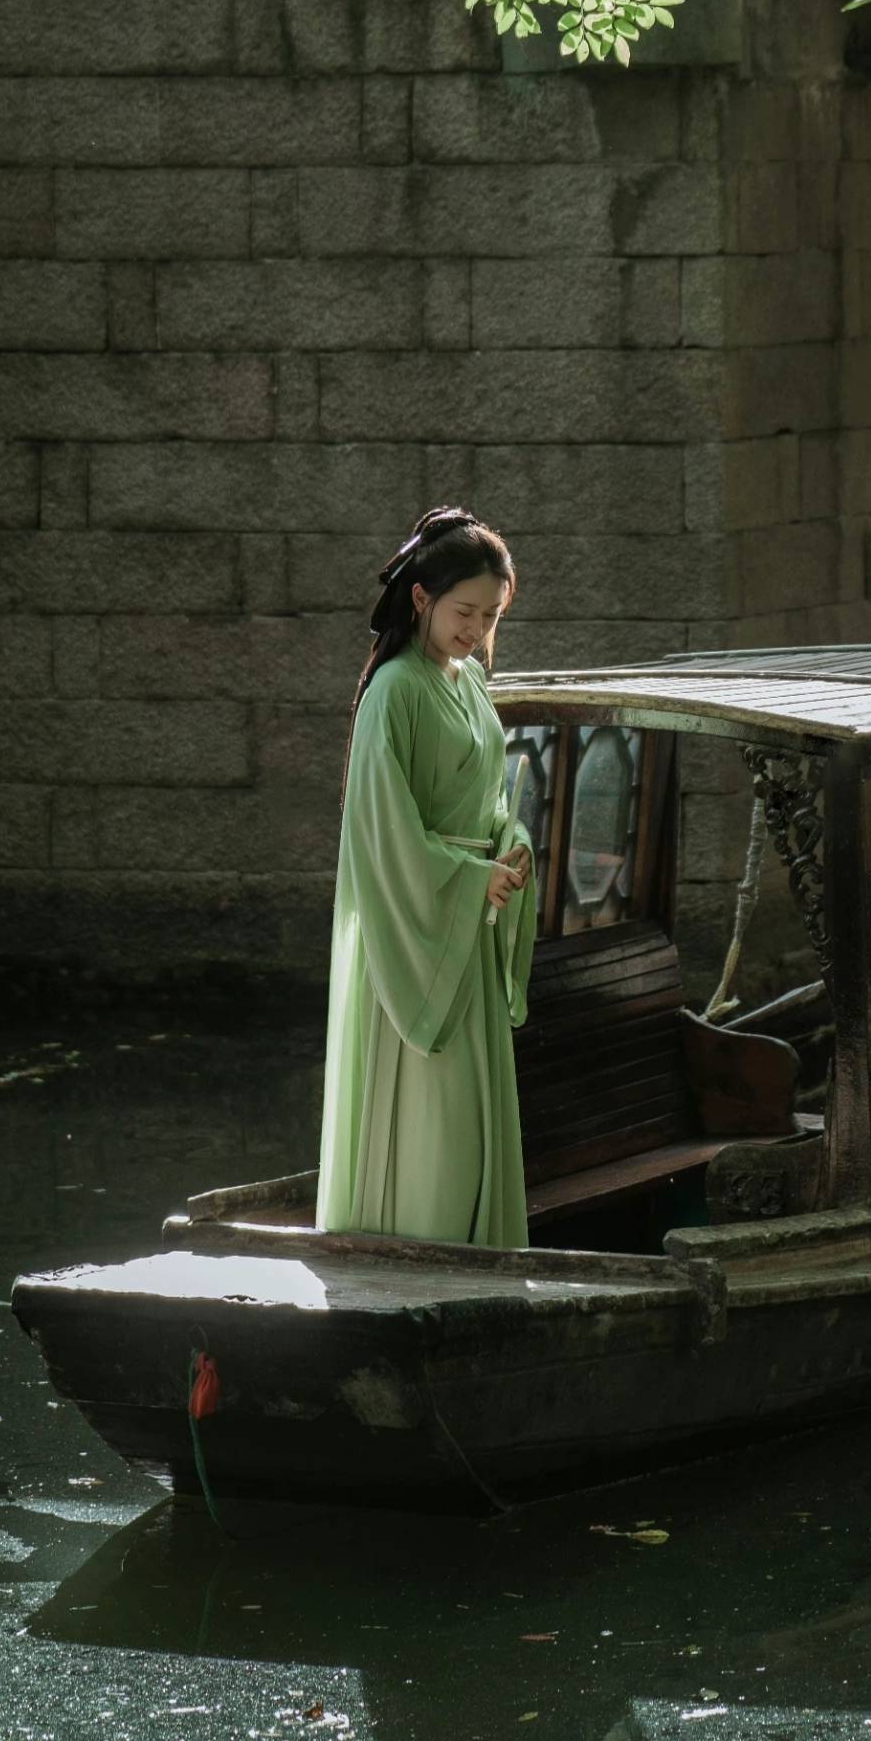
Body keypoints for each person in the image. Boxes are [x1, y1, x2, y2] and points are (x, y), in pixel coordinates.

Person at [315, 506, 540, 1247]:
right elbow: (384, 831)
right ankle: (416, 1249)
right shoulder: (394, 691)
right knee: (434, 1126)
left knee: (470, 1119)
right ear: (421, 598)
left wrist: (510, 846)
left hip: (464, 921)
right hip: (419, 929)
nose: (476, 628)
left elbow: (493, 798)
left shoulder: (468, 681)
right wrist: (467, 875)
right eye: (464, 610)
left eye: (490, 613)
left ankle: (474, 1255)